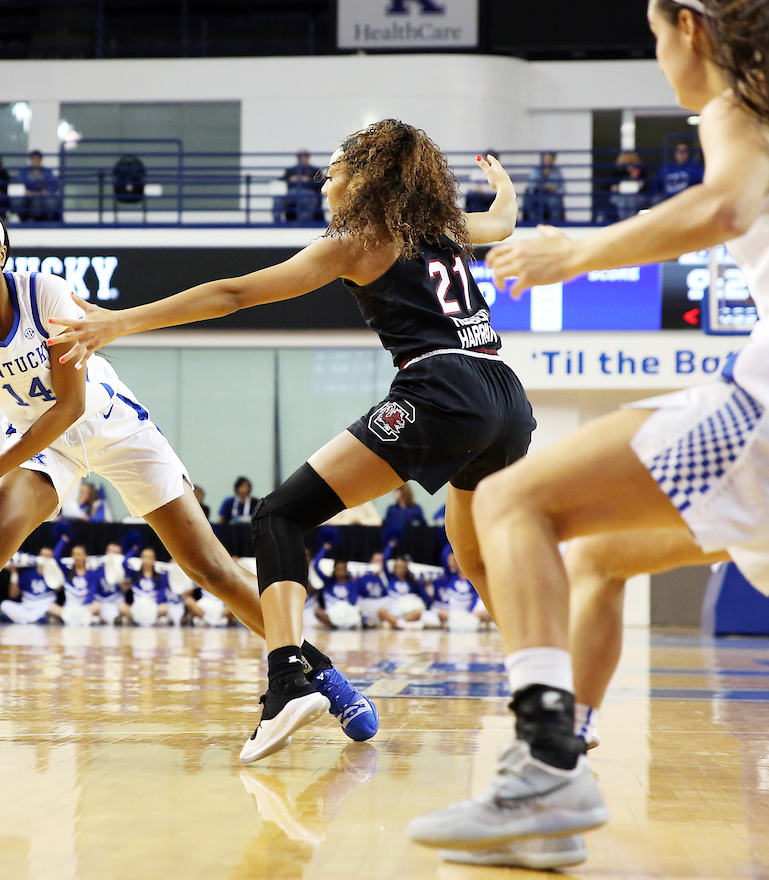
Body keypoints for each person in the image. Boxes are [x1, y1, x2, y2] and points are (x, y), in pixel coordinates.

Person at [409, 0, 769, 869]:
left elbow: (725, 209)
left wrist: (571, 255)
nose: (658, 58)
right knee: (599, 559)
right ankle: (556, 791)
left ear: (690, 25)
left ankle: (539, 770)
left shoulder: (746, 100)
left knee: (511, 499)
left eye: (654, 36)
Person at [48, 118, 530, 763]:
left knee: (279, 514)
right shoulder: (442, 229)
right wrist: (502, 186)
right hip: (506, 396)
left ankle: (286, 682)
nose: (324, 182)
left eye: (332, 171)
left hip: (443, 390)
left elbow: (234, 293)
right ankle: (553, 694)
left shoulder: (360, 241)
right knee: (474, 560)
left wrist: (119, 323)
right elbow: (501, 222)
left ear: (366, 178)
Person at [0, 205, 373, 749]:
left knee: (211, 568)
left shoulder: (45, 295)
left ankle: (323, 674)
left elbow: (69, 407)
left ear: (3, 252)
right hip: (43, 446)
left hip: (113, 428)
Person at [0, 539, 67, 625]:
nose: (45, 559)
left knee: (55, 609)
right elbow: (13, 594)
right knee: (4, 605)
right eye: (43, 556)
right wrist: (14, 574)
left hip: (44, 606)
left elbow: (58, 588)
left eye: (48, 556)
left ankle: (28, 619)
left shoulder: (55, 573)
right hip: (28, 606)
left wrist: (54, 569)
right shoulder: (28, 574)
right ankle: (34, 619)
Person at [273, 149, 324, 225]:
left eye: (305, 156)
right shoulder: (291, 170)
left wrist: (309, 180)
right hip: (292, 193)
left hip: (308, 193)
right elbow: (282, 180)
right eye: (301, 156)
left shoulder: (315, 170)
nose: (303, 158)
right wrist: (291, 179)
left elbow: (321, 183)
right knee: (278, 199)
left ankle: (303, 222)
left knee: (311, 198)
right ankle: (277, 222)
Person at [126, 546, 173, 626]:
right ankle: (135, 621)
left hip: (153, 605)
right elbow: (124, 563)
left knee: (164, 608)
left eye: (149, 558)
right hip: (138, 604)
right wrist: (133, 550)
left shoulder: (160, 576)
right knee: (122, 607)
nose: (147, 560)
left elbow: (162, 592)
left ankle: (154, 620)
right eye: (144, 557)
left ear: (154, 560)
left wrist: (157, 605)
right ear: (141, 558)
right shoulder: (135, 575)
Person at [524, 152, 565, 224]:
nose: (548, 161)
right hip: (537, 194)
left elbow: (562, 189)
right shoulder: (536, 170)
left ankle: (555, 224)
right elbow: (531, 186)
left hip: (551, 196)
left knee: (554, 201)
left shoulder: (557, 172)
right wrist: (543, 186)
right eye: (547, 159)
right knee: (529, 200)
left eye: (551, 159)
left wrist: (552, 189)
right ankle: (532, 224)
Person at [19, 150, 60, 222]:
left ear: (41, 160)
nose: (36, 161)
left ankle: (49, 220)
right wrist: (25, 191)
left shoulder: (47, 172)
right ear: (31, 160)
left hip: (43, 196)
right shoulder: (24, 172)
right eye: (34, 159)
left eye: (38, 159)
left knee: (50, 202)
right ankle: (30, 219)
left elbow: (54, 184)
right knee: (34, 202)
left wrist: (46, 191)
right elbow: (18, 183)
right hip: (29, 198)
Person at [609, 151, 647, 221]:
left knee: (631, 199)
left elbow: (645, 185)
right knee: (623, 201)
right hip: (619, 196)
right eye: (626, 157)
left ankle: (631, 222)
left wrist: (635, 177)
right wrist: (615, 187)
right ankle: (623, 222)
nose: (628, 159)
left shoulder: (641, 170)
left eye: (630, 157)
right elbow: (609, 185)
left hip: (636, 196)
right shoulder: (617, 170)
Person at [463, 149, 500, 213]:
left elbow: (499, 189)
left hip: (493, 197)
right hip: (480, 196)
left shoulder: (500, 173)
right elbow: (473, 187)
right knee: (473, 197)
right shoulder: (477, 172)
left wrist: (485, 191)